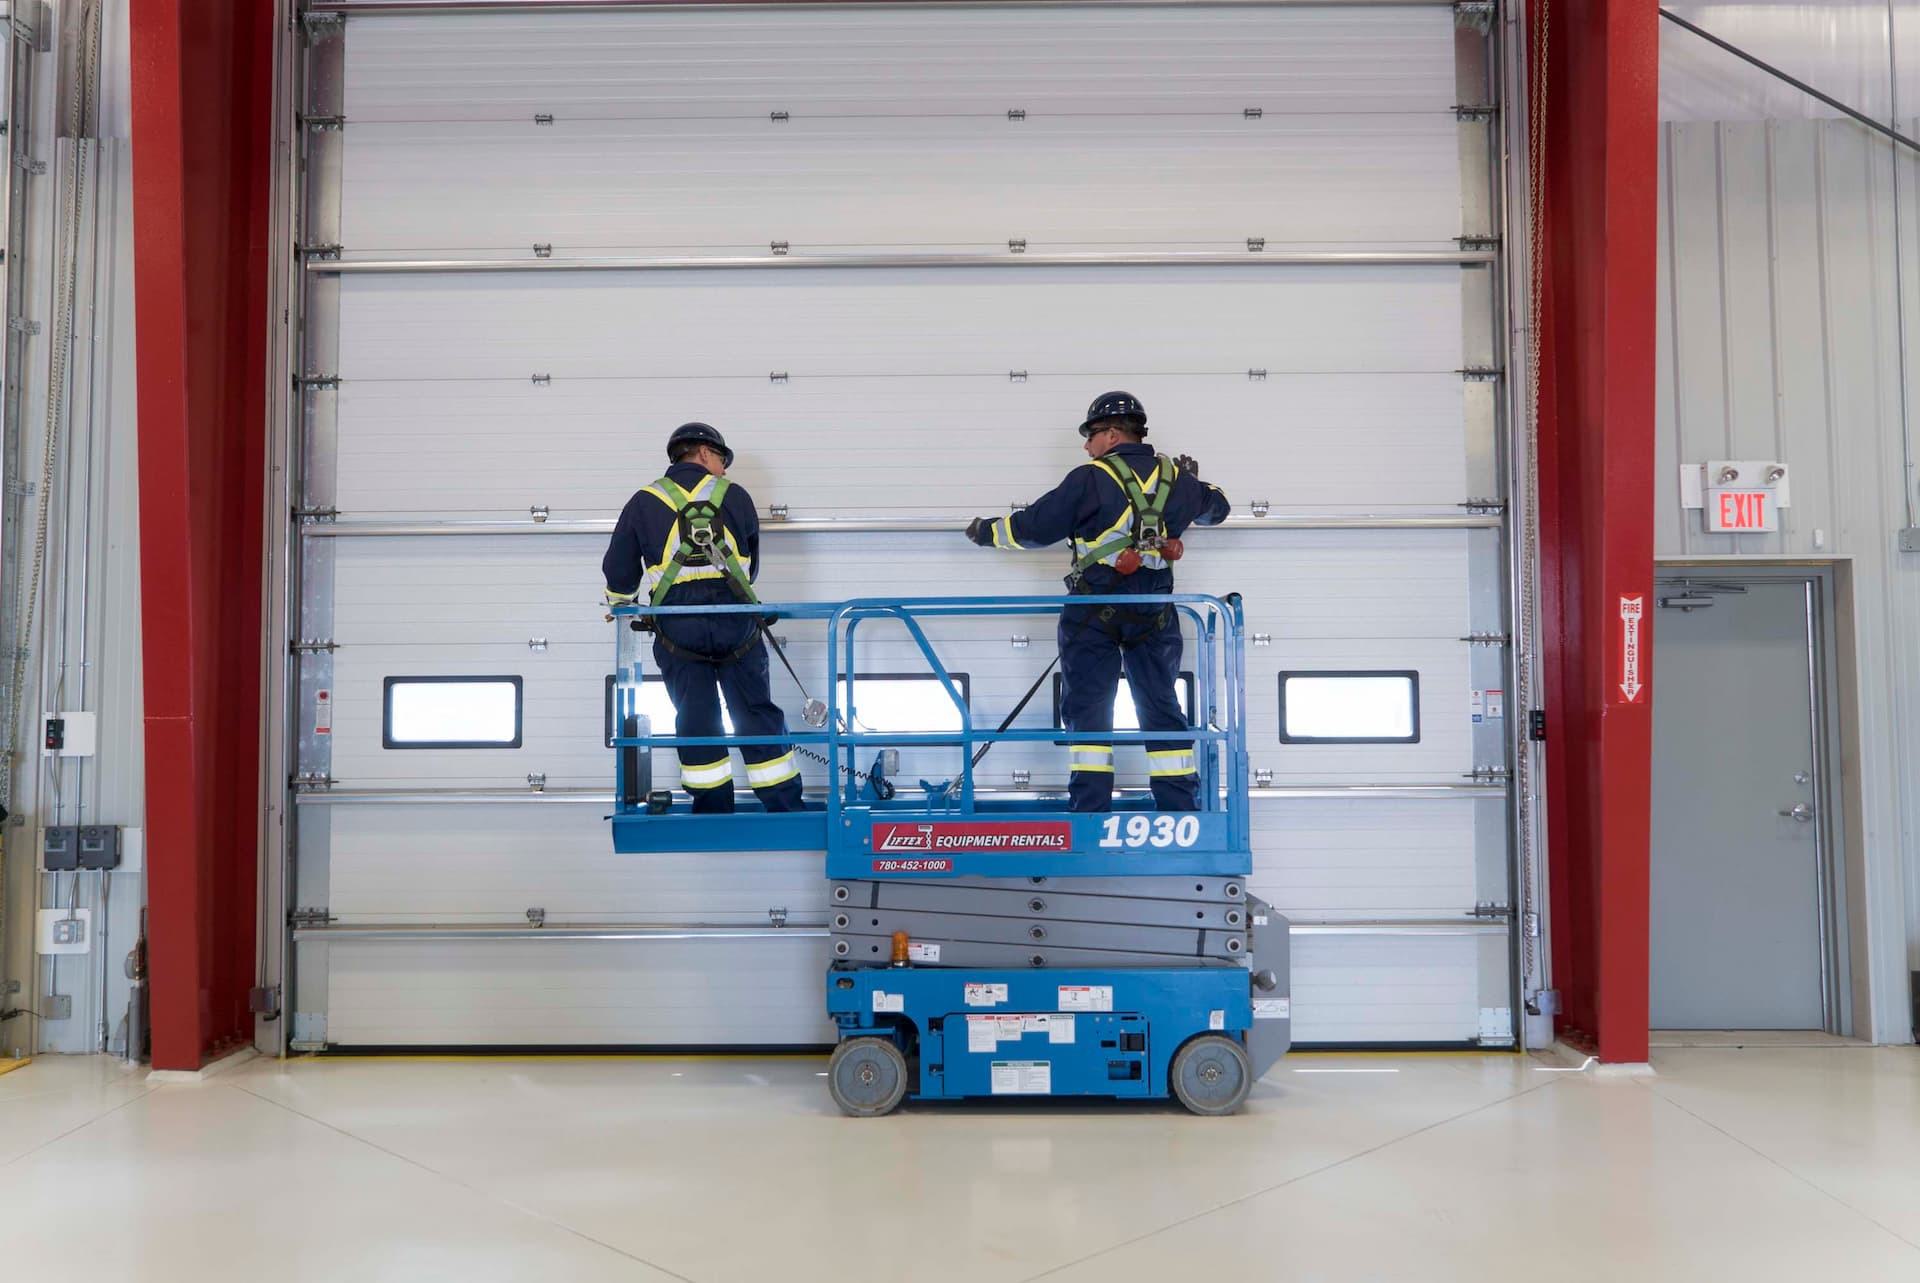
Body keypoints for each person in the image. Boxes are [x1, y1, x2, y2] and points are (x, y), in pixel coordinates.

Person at [964, 392, 1230, 812]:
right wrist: (1195, 483)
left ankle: (1090, 810)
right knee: (1161, 704)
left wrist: (985, 532)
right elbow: (1218, 509)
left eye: (1090, 437)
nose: (1087, 447)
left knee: (1090, 708)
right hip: (1156, 614)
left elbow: (1034, 527)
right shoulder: (1176, 478)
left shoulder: (1089, 478)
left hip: (1094, 612)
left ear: (1109, 434)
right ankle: (1180, 805)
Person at [602, 423, 803, 813]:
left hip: (678, 628)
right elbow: (750, 565)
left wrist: (623, 604)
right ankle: (782, 802)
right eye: (722, 461)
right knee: (755, 711)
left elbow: (619, 569)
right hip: (736, 622)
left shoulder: (643, 502)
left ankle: (712, 805)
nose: (724, 471)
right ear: (705, 453)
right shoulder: (736, 497)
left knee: (696, 716)